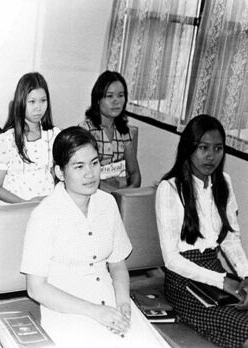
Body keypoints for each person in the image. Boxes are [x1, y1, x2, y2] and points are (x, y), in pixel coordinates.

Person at [21, 126, 170, 348]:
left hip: (111, 303)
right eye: (78, 166)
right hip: (68, 311)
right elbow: (36, 288)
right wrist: (95, 312)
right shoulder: (44, 215)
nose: (90, 173)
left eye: (95, 163)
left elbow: (117, 265)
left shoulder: (107, 203)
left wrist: (122, 302)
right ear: (60, 173)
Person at [156, 114, 248, 348]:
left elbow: (230, 239)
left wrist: (245, 277)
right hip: (183, 280)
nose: (211, 156)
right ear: (189, 147)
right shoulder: (169, 189)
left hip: (215, 272)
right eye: (203, 148)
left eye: (218, 148)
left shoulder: (223, 182)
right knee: (243, 326)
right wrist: (223, 282)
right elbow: (171, 260)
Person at [0, 72, 60, 204]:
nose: (38, 107)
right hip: (16, 207)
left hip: (46, 207)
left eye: (43, 101)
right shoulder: (7, 140)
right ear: (21, 102)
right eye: (32, 101)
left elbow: (55, 175)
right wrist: (25, 204)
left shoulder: (54, 135)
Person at [80, 70, 141, 188]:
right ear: (98, 100)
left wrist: (127, 193)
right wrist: (112, 193)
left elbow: (135, 174)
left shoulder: (125, 132)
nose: (116, 101)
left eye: (121, 96)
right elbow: (83, 175)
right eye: (109, 96)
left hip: (121, 195)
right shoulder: (85, 131)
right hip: (95, 193)